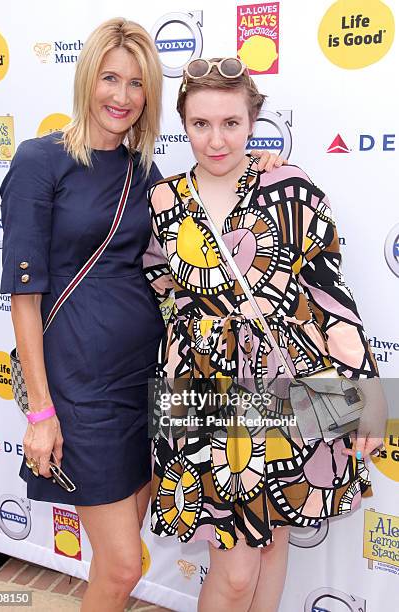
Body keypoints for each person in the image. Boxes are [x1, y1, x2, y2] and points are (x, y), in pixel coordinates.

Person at [0, 20, 284, 612]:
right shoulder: (39, 162)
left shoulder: (144, 173)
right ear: (87, 80)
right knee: (124, 565)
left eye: (136, 84)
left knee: (121, 556)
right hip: (81, 391)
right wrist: (41, 410)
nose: (122, 97)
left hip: (149, 384)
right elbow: (24, 298)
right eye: (110, 78)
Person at [145, 58, 386, 612]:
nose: (216, 139)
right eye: (200, 124)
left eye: (231, 122)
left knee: (274, 541)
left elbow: (331, 297)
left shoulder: (292, 188)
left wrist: (367, 397)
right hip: (204, 393)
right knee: (234, 572)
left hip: (289, 384)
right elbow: (160, 287)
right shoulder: (163, 201)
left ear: (253, 121)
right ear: (183, 124)